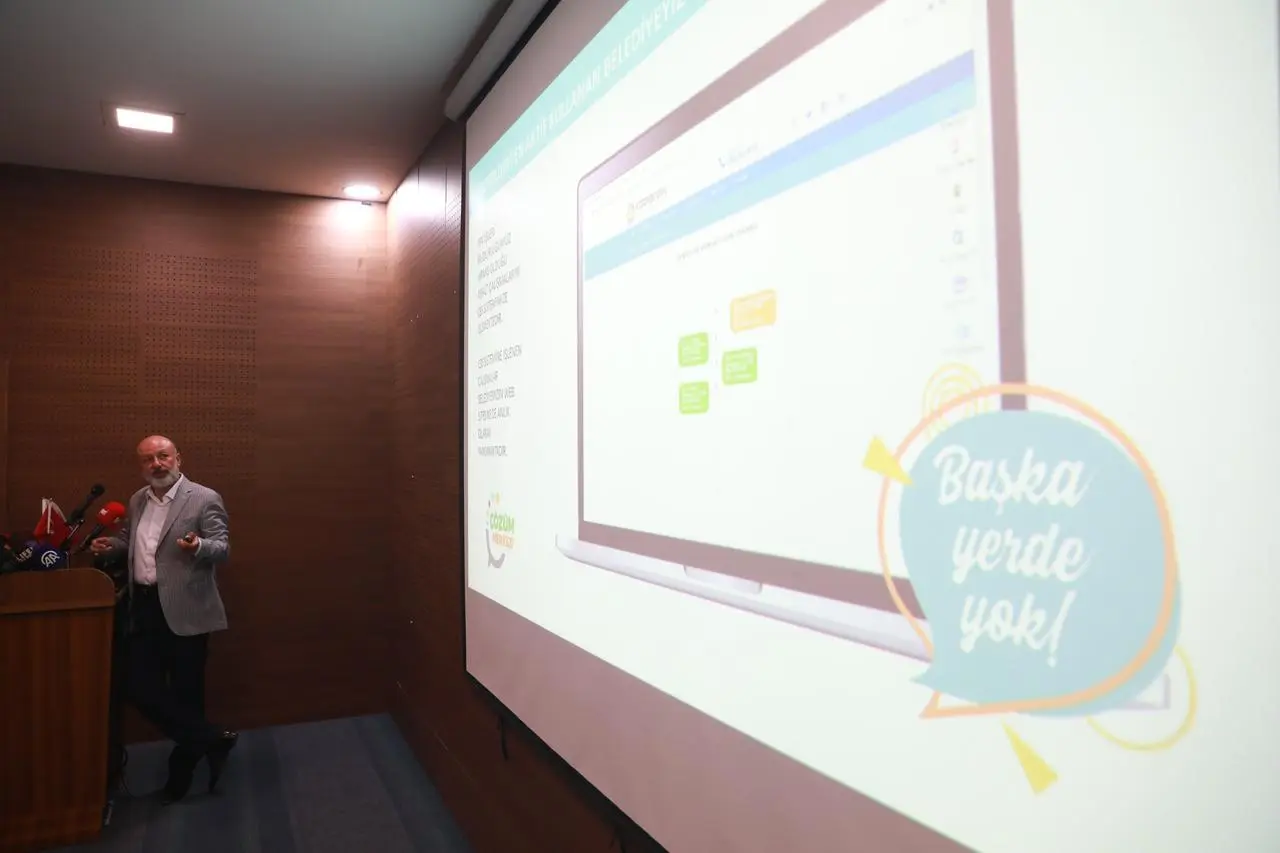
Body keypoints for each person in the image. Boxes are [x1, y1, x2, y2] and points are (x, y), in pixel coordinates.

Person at [90, 435, 238, 804]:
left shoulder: (204, 498)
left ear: (177, 458)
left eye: (163, 456)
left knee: (188, 694)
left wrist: (198, 546)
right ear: (141, 465)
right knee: (134, 684)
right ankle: (210, 739)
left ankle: (180, 778)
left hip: (187, 609)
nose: (156, 464)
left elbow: (222, 547)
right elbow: (132, 540)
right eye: (148, 459)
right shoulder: (138, 500)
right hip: (143, 607)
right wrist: (112, 546)